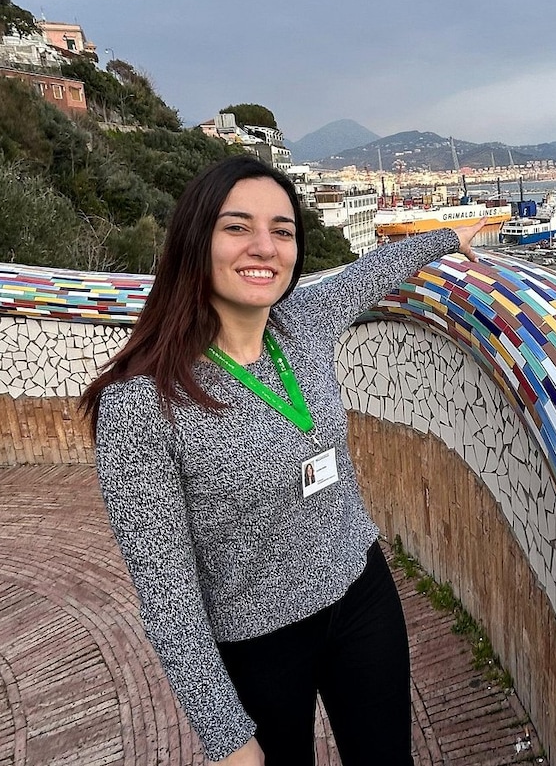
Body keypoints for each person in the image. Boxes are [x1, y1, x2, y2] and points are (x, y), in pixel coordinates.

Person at [80, 155, 483, 765]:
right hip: (256, 639)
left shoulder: (303, 323)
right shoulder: (141, 403)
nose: (264, 247)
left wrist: (452, 237)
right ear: (196, 241)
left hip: (359, 590)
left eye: (283, 230)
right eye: (237, 227)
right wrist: (224, 734)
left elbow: (373, 270)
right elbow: (166, 590)